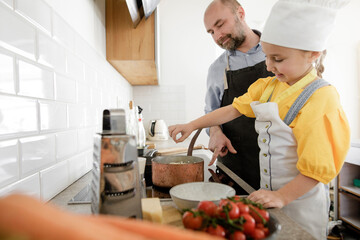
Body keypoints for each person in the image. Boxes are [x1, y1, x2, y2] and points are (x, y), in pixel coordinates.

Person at [169, 0, 350, 239]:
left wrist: (282, 196)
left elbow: (317, 170)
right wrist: (192, 125)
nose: (269, 65)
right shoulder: (270, 85)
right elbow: (233, 109)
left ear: (313, 54)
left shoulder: (321, 98)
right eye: (267, 57)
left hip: (299, 203)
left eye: (277, 59)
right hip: (269, 195)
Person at [203, 0, 273, 194]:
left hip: (281, 167)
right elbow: (211, 113)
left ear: (240, 13)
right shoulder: (216, 69)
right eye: (211, 32)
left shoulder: (277, 52)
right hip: (237, 171)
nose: (217, 36)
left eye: (220, 25)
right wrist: (215, 132)